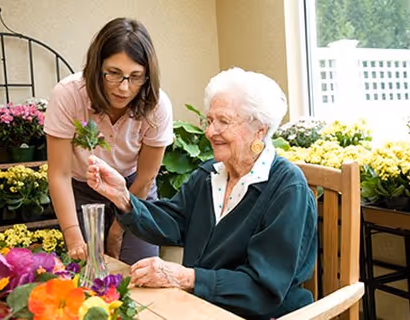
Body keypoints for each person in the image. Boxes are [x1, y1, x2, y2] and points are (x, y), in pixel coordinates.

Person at [86, 67, 317, 320]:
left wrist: (185, 277)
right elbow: (173, 222)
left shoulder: (287, 188)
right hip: (201, 308)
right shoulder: (210, 174)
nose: (210, 132)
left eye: (224, 121)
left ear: (260, 130)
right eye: (209, 120)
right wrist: (124, 198)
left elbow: (263, 289)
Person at [44, 17, 173, 265]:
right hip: (82, 188)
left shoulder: (157, 105)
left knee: (141, 271)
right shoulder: (69, 94)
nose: (124, 88)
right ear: (97, 66)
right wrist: (73, 236)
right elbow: (59, 173)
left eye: (136, 76)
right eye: (114, 73)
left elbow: (146, 177)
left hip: (134, 190)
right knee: (88, 271)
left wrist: (118, 229)